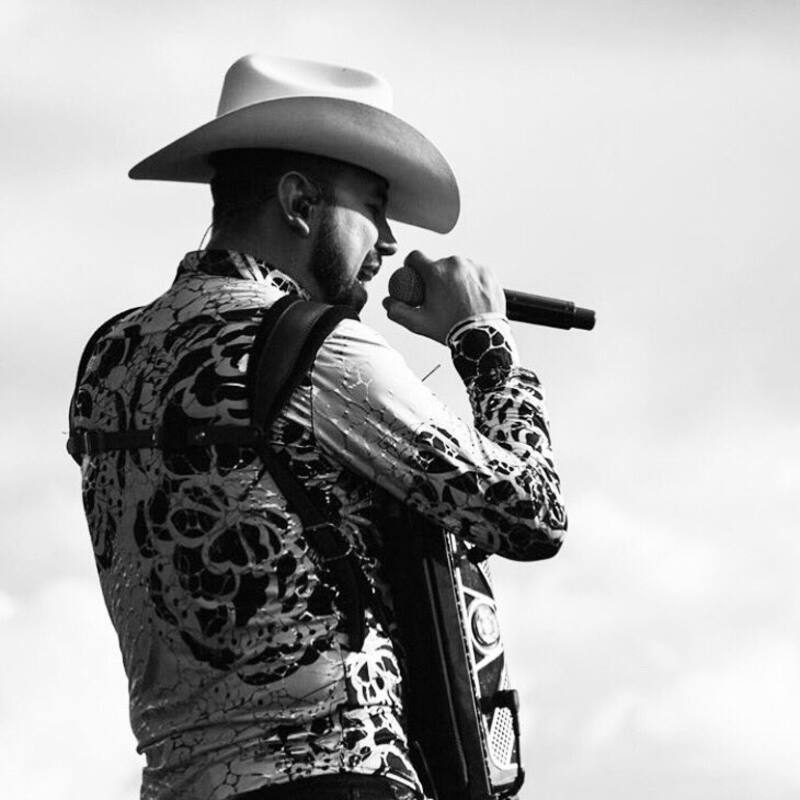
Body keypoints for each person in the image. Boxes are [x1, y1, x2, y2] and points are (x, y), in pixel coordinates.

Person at [68, 54, 567, 800]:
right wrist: (482, 339)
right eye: (374, 205)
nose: (389, 241)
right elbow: (531, 512)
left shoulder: (109, 356)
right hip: (337, 780)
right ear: (300, 202)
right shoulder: (316, 349)